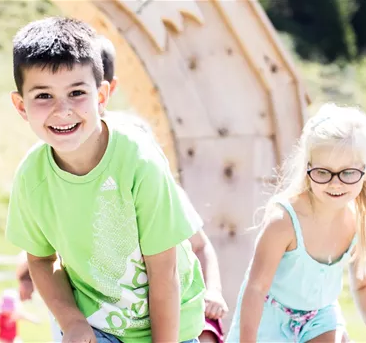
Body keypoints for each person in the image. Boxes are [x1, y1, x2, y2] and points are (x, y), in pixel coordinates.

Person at [14, 35, 229, 343]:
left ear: (101, 96)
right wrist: (72, 322)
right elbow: (39, 259)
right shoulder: (31, 176)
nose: (62, 110)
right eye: (44, 96)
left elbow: (164, 273)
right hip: (98, 325)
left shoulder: (140, 162)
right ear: (21, 105)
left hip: (170, 326)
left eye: (76, 92)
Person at [226, 103, 366, 343]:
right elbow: (256, 289)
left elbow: (364, 285)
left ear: (364, 171)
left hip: (320, 318)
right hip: (269, 319)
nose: (335, 183)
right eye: (323, 172)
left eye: (348, 173)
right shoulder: (284, 222)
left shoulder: (357, 221)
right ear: (308, 168)